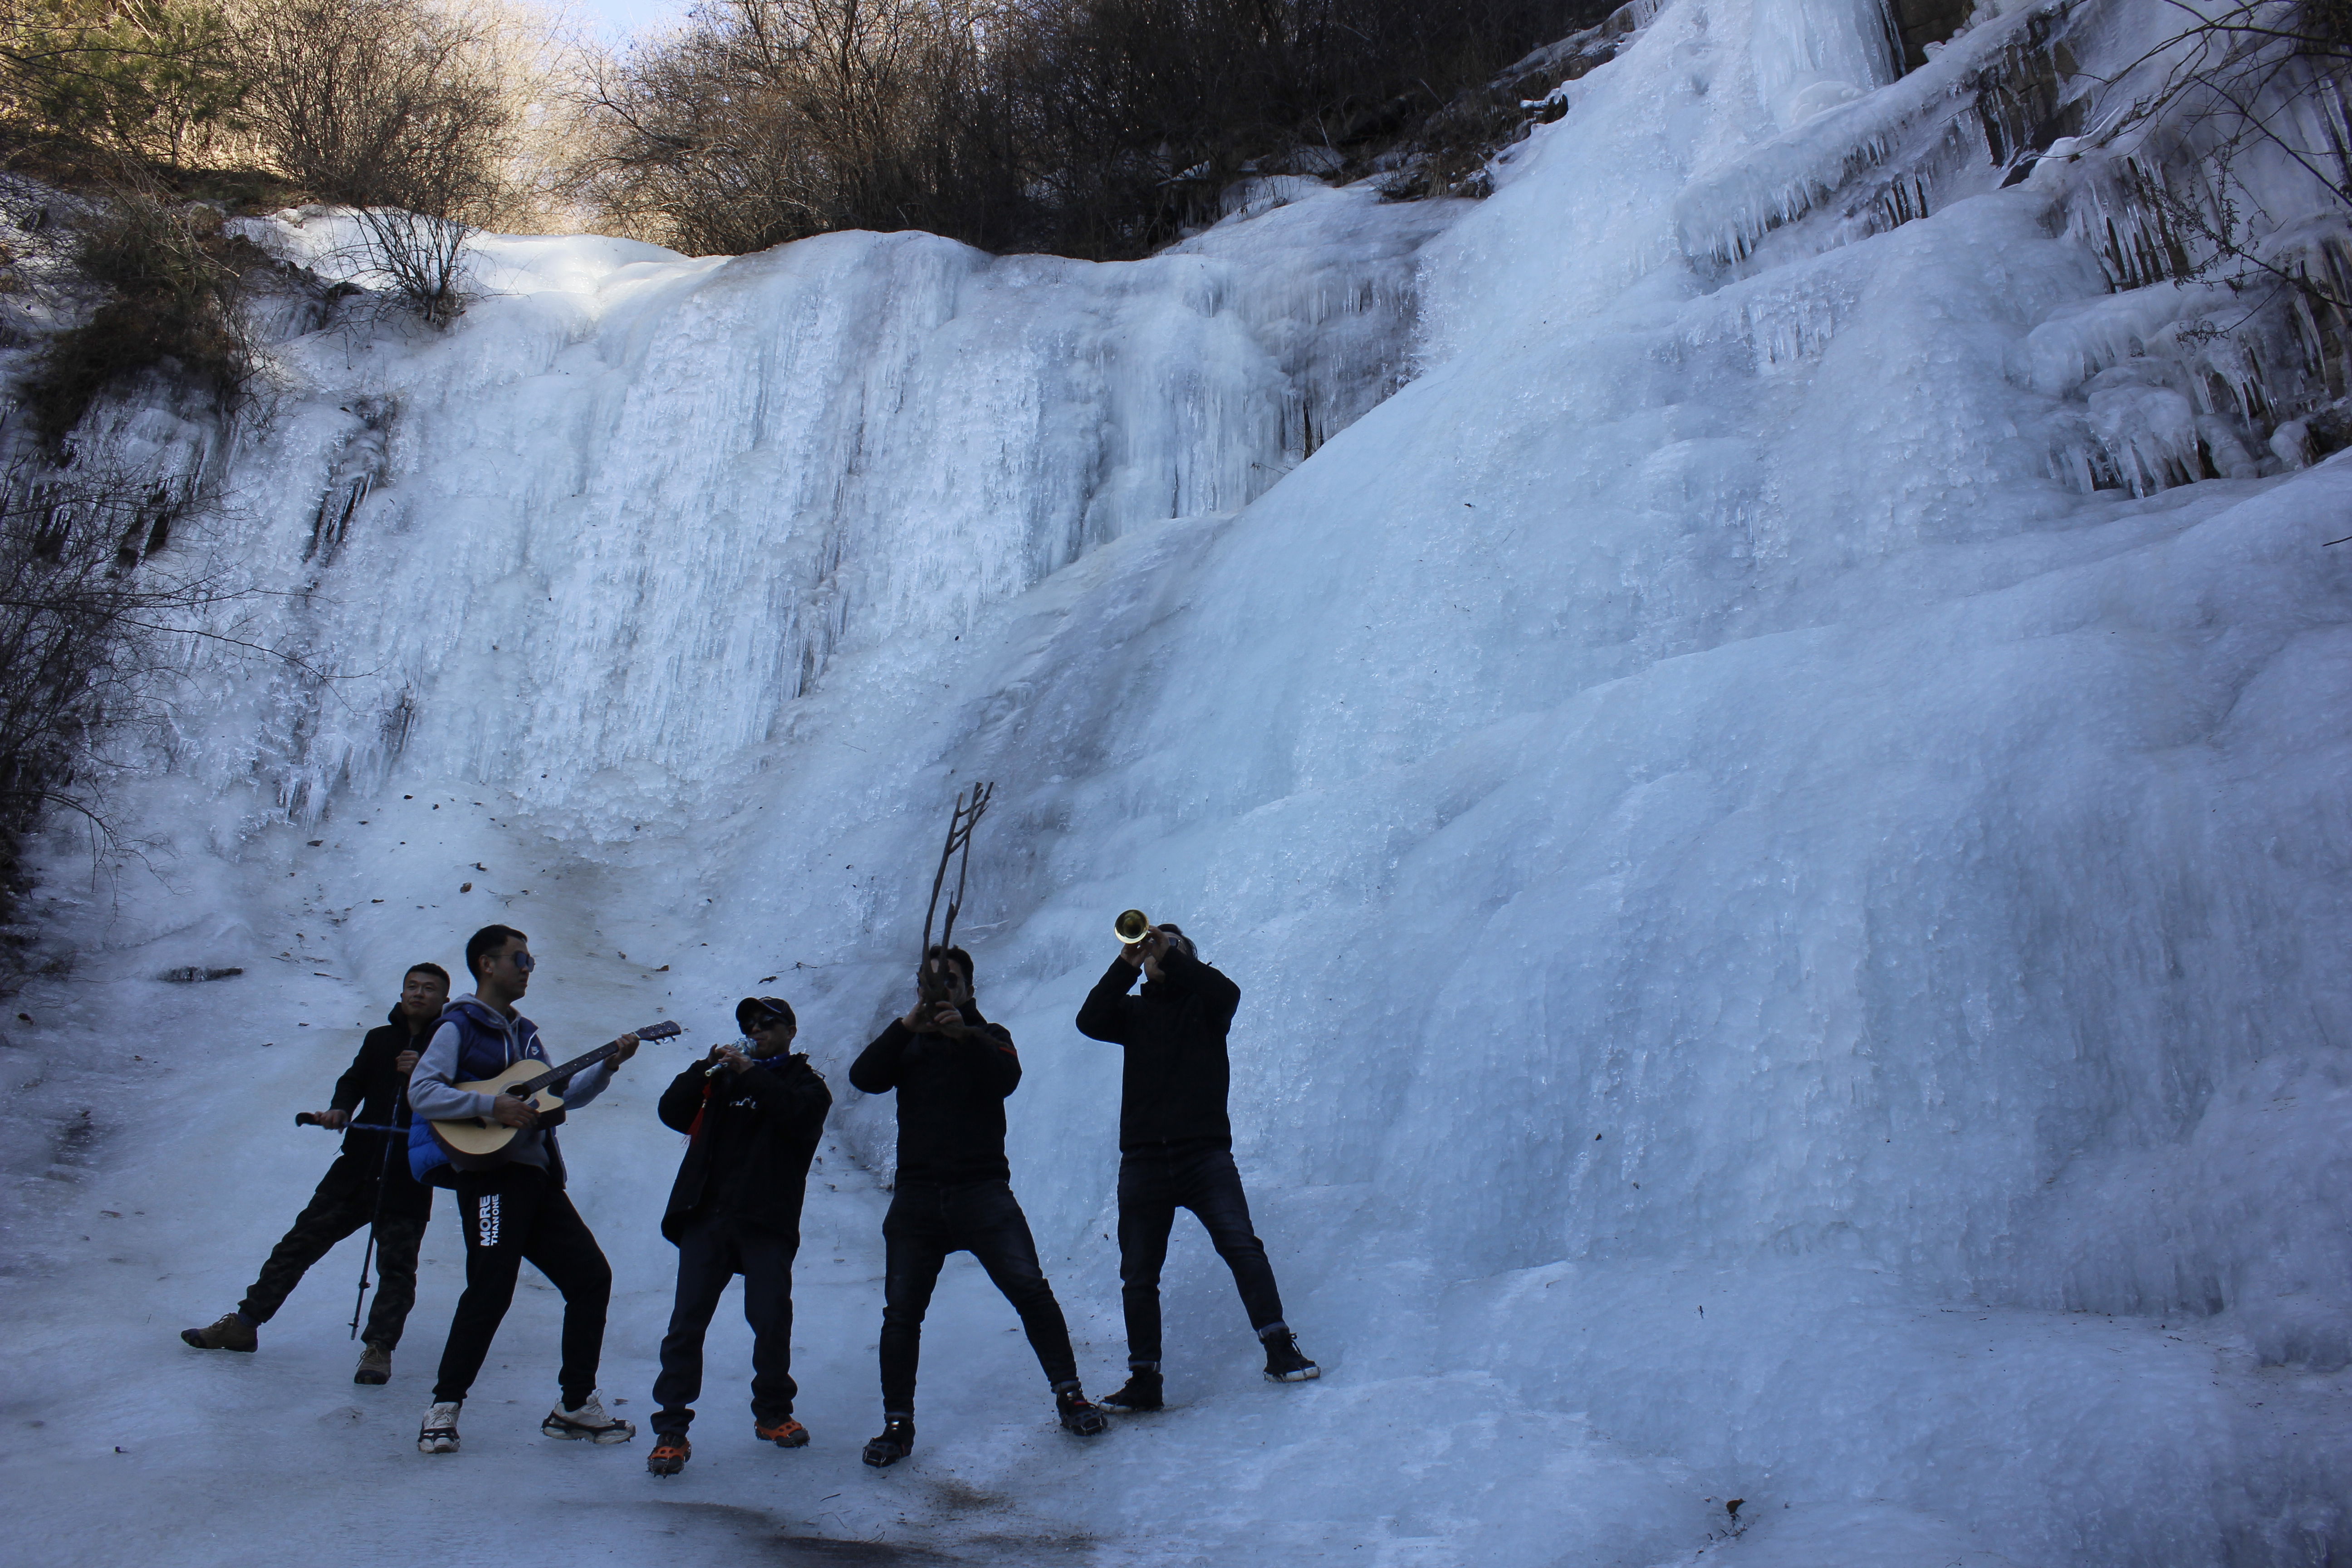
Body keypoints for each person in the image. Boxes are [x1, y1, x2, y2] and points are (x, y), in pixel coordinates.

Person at [847, 946, 1107, 1466]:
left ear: (970, 988)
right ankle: (897, 1424)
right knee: (901, 1316)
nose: (942, 987)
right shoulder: (908, 1041)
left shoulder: (993, 1038)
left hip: (981, 1190)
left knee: (1031, 1292)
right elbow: (864, 1078)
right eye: (930, 981)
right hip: (918, 1196)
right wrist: (907, 1026)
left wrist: (962, 1034)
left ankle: (1070, 1394)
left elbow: (1005, 1078)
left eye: (952, 979)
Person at [406, 924, 640, 1455]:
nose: (528, 969)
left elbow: (560, 1099)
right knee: (490, 1288)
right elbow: (423, 1090)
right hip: (490, 1177)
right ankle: (443, 1408)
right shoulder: (458, 1026)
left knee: (590, 1277)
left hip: (536, 1177)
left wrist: (607, 1067)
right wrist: (492, 1106)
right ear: (488, 965)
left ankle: (575, 1405)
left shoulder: (527, 1034)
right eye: (521, 960)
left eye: (529, 961)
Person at [1075, 920, 1318, 1412]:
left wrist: (1174, 956)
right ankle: (1145, 1379)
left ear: (1187, 958)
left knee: (1241, 1247)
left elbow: (1227, 990)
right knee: (1139, 1274)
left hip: (1203, 1154)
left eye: (1170, 946)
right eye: (1151, 947)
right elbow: (1089, 1019)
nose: (1157, 952)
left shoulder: (1206, 1008)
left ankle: (1279, 1348)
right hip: (1143, 1157)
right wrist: (1126, 965)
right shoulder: (1133, 1012)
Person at [181, 963, 450, 1384]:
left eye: (429, 989)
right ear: (400, 995)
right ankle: (243, 1325)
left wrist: (427, 1074)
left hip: (409, 1172)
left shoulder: (450, 1050)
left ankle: (379, 1349)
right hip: (357, 1166)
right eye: (411, 987)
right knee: (299, 1243)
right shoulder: (379, 1040)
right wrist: (341, 1108)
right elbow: (354, 1080)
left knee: (397, 1269)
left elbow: (463, 1099)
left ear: (444, 1001)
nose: (418, 994)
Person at [644, 995, 833, 1477]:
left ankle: (773, 1412)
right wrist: (704, 1066)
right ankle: (671, 1429)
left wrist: (750, 1071)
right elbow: (671, 1111)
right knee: (687, 1323)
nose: (757, 1029)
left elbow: (794, 1116)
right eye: (750, 1024)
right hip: (707, 1216)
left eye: (768, 1023)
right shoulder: (721, 1080)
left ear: (791, 1030)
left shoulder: (808, 1086)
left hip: (766, 1220)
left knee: (770, 1318)